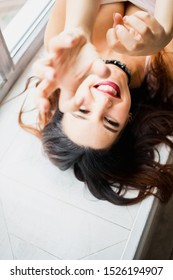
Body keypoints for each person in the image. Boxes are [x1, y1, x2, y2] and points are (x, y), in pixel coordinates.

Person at [19, 0, 173, 205]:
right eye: (110, 122)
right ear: (128, 120)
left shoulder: (63, 44)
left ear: (69, 95)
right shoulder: (164, 71)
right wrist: (165, 31)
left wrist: (79, 28)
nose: (103, 102)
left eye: (83, 109)